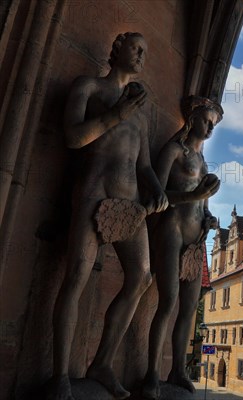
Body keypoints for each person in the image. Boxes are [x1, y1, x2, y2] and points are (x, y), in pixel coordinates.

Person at [49, 32, 168, 400]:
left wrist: (157, 188)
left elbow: (144, 163)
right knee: (76, 278)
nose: (141, 56)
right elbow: (72, 137)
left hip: (130, 202)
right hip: (93, 193)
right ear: (116, 50)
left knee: (142, 277)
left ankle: (102, 362)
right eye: (136, 47)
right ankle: (59, 376)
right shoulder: (89, 87)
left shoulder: (142, 109)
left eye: (145, 51)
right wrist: (117, 114)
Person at [141, 96, 221, 399]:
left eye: (213, 122)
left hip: (196, 238)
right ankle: (151, 373)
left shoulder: (203, 162)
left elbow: (203, 202)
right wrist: (193, 197)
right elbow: (156, 197)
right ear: (191, 119)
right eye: (206, 119)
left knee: (189, 310)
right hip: (172, 229)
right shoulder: (175, 150)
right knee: (167, 302)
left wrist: (209, 216)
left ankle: (178, 369)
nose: (210, 126)